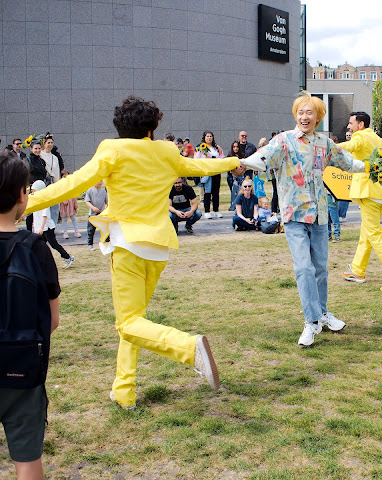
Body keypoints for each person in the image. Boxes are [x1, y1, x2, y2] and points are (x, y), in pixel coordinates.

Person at [24, 95, 245, 409]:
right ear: (153, 127)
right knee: (135, 321)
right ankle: (124, 391)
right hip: (158, 247)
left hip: (127, 243)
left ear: (119, 127)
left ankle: (188, 348)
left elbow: (73, 184)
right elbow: (200, 166)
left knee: (128, 323)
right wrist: (234, 163)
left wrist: (25, 204)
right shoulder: (167, 151)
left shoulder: (113, 149)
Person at [240, 92, 365, 347]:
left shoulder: (324, 143)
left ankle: (322, 313)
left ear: (318, 117)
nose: (304, 116)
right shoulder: (283, 140)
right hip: (293, 214)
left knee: (320, 268)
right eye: (300, 112)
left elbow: (347, 162)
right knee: (304, 268)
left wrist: (373, 164)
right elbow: (261, 158)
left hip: (319, 215)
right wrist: (241, 163)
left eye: (309, 112)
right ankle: (311, 321)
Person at [0, 152, 60, 480]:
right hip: (21, 371)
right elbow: (51, 321)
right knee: (27, 462)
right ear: (23, 196)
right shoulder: (36, 248)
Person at [339, 111, 382, 292]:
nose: (349, 126)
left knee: (374, 233)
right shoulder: (380, 140)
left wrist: (330, 146)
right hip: (379, 191)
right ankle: (357, 270)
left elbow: (351, 144)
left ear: (360, 124)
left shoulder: (361, 136)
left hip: (368, 191)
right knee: (367, 233)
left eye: (351, 123)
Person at [31, 180, 75, 269]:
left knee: (53, 244)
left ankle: (68, 257)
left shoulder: (44, 201)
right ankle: (41, 262)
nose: (33, 193)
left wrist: (41, 228)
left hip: (47, 228)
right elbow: (35, 213)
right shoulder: (36, 201)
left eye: (34, 191)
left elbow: (44, 216)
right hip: (40, 228)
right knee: (39, 245)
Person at [197, 131, 225, 219]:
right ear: (204, 138)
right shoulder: (202, 148)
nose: (209, 138)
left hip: (216, 172)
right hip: (207, 173)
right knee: (207, 192)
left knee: (216, 192)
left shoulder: (217, 148)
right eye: (207, 136)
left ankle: (216, 210)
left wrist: (216, 160)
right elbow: (197, 158)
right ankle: (207, 211)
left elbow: (222, 156)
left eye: (211, 136)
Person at [85, 180, 108, 251]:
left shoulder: (104, 191)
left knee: (105, 229)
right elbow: (87, 201)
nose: (100, 182)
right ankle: (90, 244)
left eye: (101, 181)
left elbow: (107, 202)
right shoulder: (90, 190)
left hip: (102, 213)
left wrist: (106, 206)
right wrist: (93, 208)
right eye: (98, 181)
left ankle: (106, 243)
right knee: (91, 230)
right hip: (92, 214)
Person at [58, 169, 81, 239]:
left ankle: (76, 231)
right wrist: (63, 200)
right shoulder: (60, 185)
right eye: (64, 176)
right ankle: (65, 232)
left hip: (71, 202)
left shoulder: (71, 184)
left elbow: (74, 194)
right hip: (64, 204)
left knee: (73, 217)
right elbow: (59, 194)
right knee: (64, 218)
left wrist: (75, 203)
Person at [226, 141, 245, 211]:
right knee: (234, 192)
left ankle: (241, 206)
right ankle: (233, 206)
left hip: (241, 177)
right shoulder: (229, 157)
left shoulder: (242, 156)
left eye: (237, 147)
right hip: (233, 178)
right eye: (234, 147)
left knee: (241, 192)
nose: (236, 148)